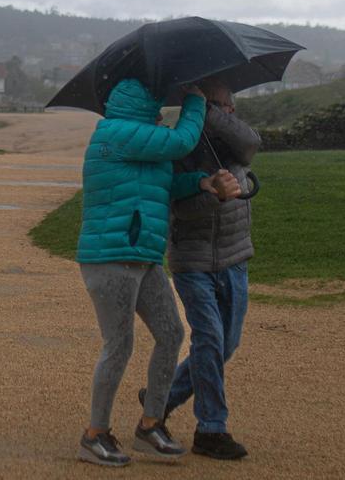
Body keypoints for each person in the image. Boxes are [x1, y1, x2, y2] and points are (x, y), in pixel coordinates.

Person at [76, 78, 240, 467]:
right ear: (140, 103)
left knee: (171, 333)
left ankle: (151, 422)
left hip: (142, 256)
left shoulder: (140, 137)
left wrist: (203, 182)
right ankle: (94, 435)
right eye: (155, 101)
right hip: (110, 257)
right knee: (119, 345)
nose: (159, 107)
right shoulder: (116, 132)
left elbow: (164, 182)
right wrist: (195, 102)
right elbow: (181, 143)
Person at [139, 78, 260, 460]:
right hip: (192, 261)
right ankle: (211, 429)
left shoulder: (234, 145)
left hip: (234, 257)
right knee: (208, 338)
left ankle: (161, 397)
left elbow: (251, 143)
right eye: (224, 106)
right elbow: (181, 212)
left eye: (226, 107)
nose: (230, 112)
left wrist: (208, 110)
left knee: (227, 344)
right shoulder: (180, 148)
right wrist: (214, 194)